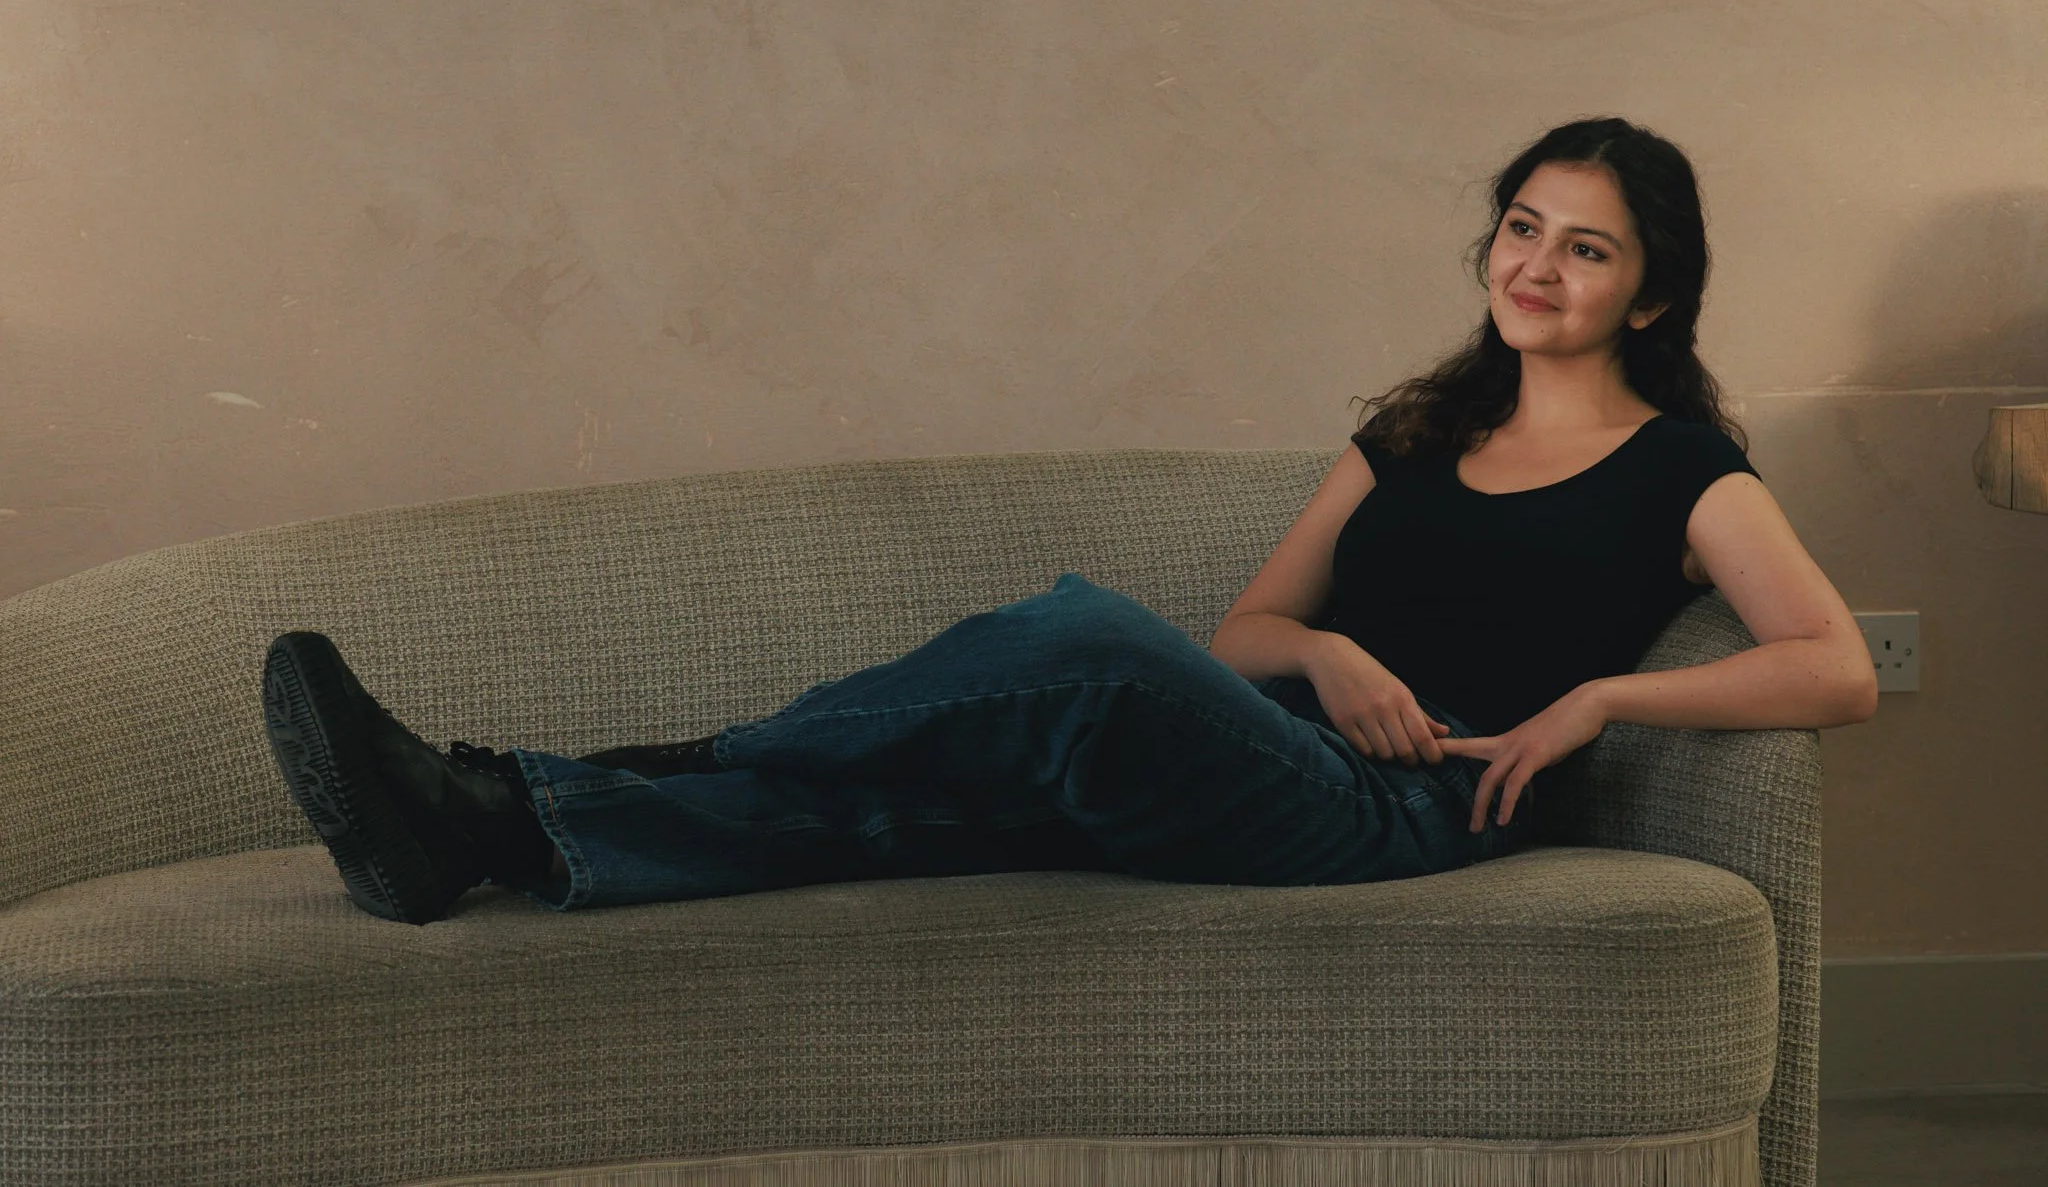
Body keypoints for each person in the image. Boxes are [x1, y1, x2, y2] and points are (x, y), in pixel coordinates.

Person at [263, 116, 1879, 926]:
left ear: (1652, 288)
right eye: (1522, 228)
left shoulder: (1681, 472)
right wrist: (1324, 652)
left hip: (1418, 817)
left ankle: (557, 774)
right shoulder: (1413, 436)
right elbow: (1249, 633)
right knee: (924, 797)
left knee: (1089, 636)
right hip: (1279, 738)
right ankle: (488, 833)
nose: (1535, 266)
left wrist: (1597, 698)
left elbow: (1834, 665)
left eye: (1585, 249)